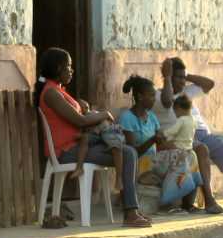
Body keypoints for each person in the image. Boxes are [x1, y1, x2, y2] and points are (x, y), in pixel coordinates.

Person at [35, 47, 151, 228]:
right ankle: (130, 211)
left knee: (128, 151)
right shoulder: (51, 93)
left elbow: (83, 116)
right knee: (128, 153)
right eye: (68, 67)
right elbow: (80, 121)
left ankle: (131, 209)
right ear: (58, 68)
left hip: (80, 144)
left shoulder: (59, 90)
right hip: (66, 151)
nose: (71, 71)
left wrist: (92, 112)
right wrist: (104, 114)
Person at [153, 57, 223, 213]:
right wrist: (168, 78)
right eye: (178, 77)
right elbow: (167, 102)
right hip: (182, 136)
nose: (182, 81)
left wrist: (186, 76)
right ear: (169, 76)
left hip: (203, 133)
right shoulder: (158, 95)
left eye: (183, 77)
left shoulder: (188, 91)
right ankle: (209, 200)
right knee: (201, 149)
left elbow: (209, 84)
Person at [119, 75, 204, 212]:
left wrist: (173, 144)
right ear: (140, 97)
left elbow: (161, 143)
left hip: (156, 160)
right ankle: (168, 198)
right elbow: (133, 152)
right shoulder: (127, 118)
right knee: (181, 158)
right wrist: (153, 139)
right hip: (141, 163)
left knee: (189, 154)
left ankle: (188, 203)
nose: (154, 99)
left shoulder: (151, 117)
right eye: (152, 96)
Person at [68, 99, 126, 195]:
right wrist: (79, 135)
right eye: (80, 109)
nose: (85, 110)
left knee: (116, 148)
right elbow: (83, 131)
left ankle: (119, 178)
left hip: (108, 131)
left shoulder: (93, 113)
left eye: (86, 107)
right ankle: (79, 167)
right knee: (85, 139)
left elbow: (108, 118)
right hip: (96, 136)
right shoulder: (80, 119)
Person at [162, 94, 197, 187]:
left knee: (162, 157)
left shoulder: (182, 119)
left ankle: (171, 180)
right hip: (189, 149)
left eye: (175, 111)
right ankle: (183, 175)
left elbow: (173, 130)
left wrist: (163, 134)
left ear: (179, 109)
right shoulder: (193, 120)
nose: (175, 114)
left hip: (179, 147)